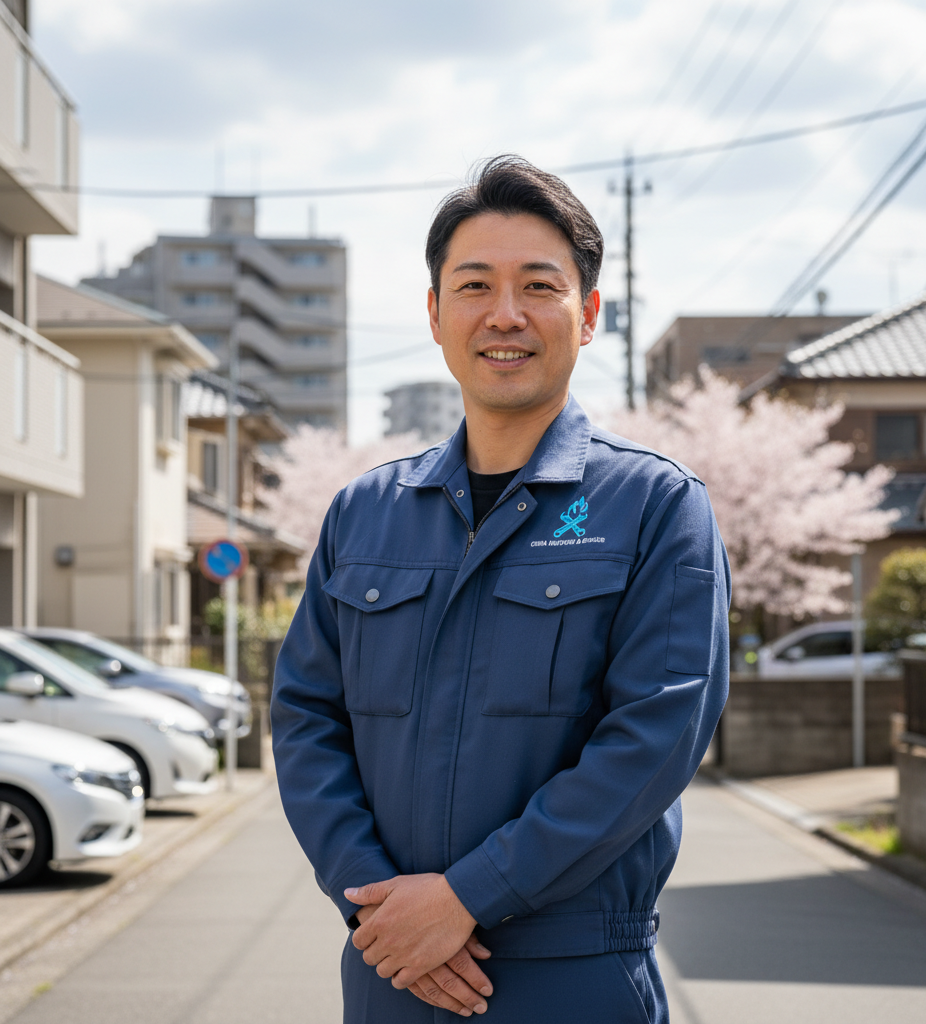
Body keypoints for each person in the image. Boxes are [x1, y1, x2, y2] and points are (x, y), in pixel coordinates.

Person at [271, 155, 730, 1023]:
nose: (506, 315)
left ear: (587, 315)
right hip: (391, 965)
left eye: (539, 286)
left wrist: (467, 898)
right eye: (474, 285)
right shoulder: (363, 514)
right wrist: (379, 904)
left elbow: (654, 740)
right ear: (437, 315)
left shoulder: (656, 505)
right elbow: (304, 720)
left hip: (575, 970)